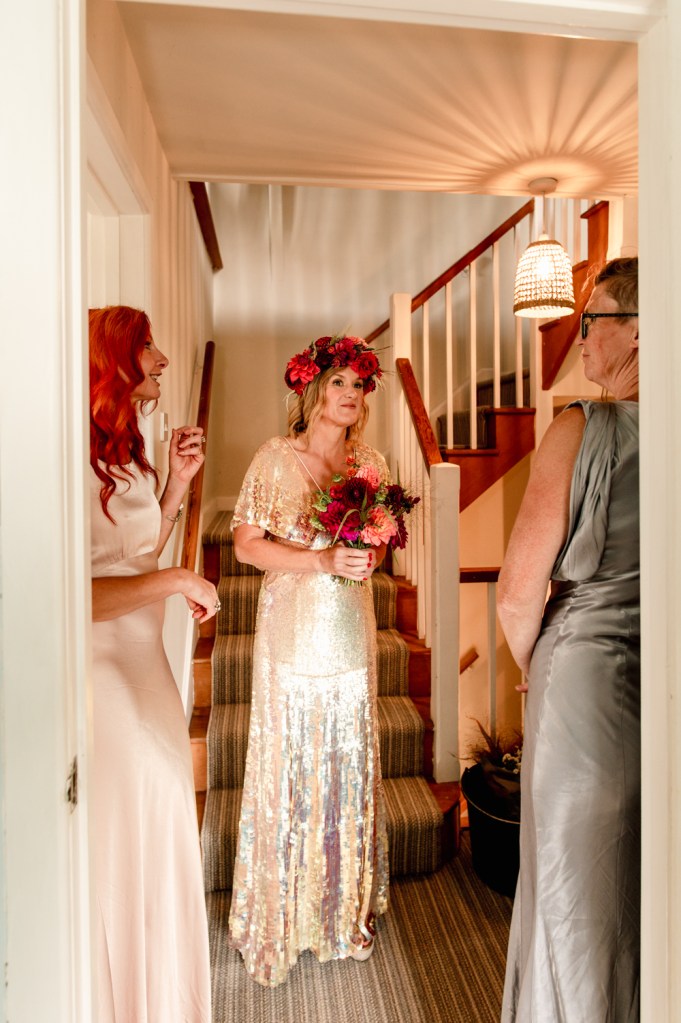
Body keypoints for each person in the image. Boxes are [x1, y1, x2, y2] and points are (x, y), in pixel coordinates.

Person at [498, 257, 640, 1022]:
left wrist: (533, 665)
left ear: (638, 333)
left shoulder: (580, 425)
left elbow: (520, 587)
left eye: (595, 319)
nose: (579, 337)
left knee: (570, 885)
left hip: (582, 671)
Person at [228, 334, 390, 987]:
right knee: (293, 763)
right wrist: (321, 559)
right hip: (293, 628)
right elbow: (245, 545)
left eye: (359, 385)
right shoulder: (275, 458)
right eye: (339, 383)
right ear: (313, 388)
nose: (350, 396)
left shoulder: (370, 461)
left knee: (347, 758)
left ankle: (339, 913)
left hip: (350, 624)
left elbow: (375, 536)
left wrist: (367, 554)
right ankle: (284, 916)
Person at [89, 305, 217, 1022]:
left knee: (165, 817)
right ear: (117, 358)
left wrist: (173, 483)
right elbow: (77, 595)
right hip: (105, 667)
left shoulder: (123, 445)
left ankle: (166, 999)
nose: (164, 359)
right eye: (148, 348)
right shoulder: (70, 453)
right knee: (139, 817)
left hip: (146, 660)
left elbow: (136, 545)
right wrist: (175, 580)